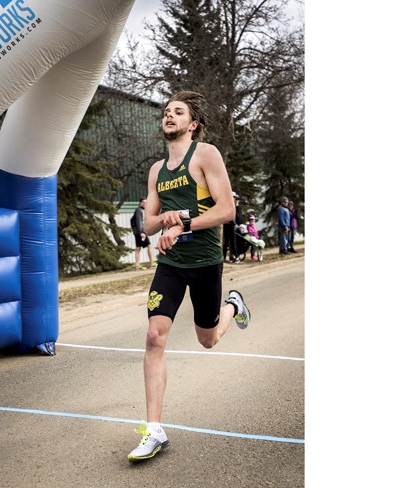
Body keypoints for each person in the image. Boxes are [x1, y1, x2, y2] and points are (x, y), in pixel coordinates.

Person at [127, 91, 251, 462]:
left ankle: (233, 305)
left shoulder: (206, 154)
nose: (169, 116)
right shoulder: (156, 170)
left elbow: (227, 210)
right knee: (154, 336)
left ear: (192, 124)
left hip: (204, 261)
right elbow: (148, 225)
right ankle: (153, 431)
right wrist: (163, 219)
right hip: (171, 263)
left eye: (177, 112)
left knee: (208, 339)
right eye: (166, 111)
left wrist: (182, 224)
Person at [131, 197, 155, 269]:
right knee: (148, 246)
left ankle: (137, 265)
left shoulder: (142, 210)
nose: (145, 204)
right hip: (140, 232)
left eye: (146, 202)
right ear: (140, 203)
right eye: (143, 202)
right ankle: (151, 263)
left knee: (138, 248)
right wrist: (141, 232)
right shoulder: (139, 210)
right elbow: (138, 222)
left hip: (139, 231)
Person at [222, 192, 242, 263]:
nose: (235, 199)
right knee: (230, 243)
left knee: (227, 243)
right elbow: (231, 217)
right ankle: (236, 258)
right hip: (229, 226)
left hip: (228, 226)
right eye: (234, 198)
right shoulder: (230, 206)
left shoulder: (229, 205)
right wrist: (235, 224)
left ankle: (224, 257)